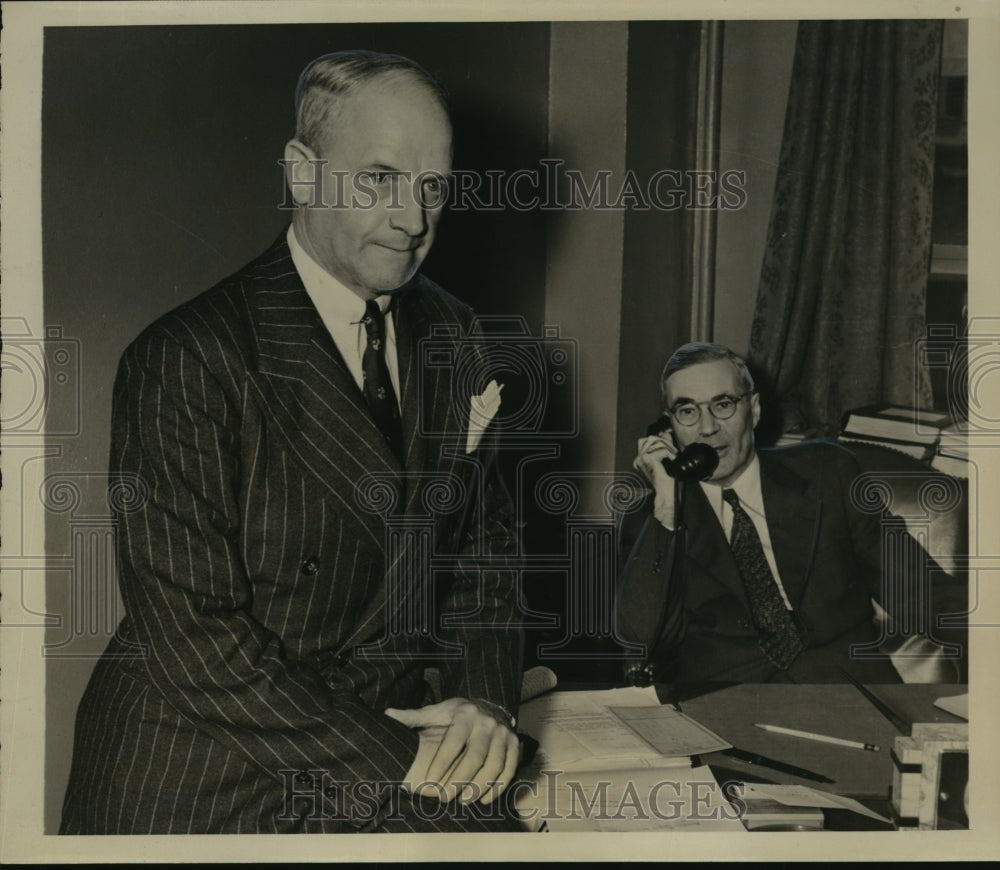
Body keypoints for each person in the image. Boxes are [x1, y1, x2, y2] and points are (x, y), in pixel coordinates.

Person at [60, 50, 526, 834]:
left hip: (383, 736)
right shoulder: (189, 357)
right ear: (303, 175)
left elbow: (485, 552)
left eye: (433, 188)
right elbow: (196, 642)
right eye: (379, 179)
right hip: (202, 769)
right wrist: (406, 760)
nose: (412, 221)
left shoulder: (456, 331)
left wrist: (482, 703)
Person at [615, 342, 967, 687]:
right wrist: (666, 506)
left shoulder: (828, 473)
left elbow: (917, 589)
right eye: (688, 411)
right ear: (668, 428)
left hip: (847, 693)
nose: (707, 428)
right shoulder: (654, 521)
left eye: (723, 405)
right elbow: (640, 639)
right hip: (725, 709)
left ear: (753, 410)